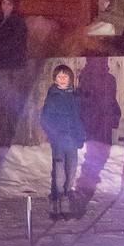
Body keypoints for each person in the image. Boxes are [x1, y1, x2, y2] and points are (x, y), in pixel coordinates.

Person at [41, 63, 86, 219]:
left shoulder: (75, 97)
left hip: (72, 140)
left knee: (71, 170)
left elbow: (79, 119)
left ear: (70, 79)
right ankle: (57, 200)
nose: (62, 79)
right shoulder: (53, 96)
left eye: (65, 76)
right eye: (59, 76)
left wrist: (81, 135)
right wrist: (53, 133)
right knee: (59, 172)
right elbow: (45, 118)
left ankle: (66, 196)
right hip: (59, 141)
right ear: (55, 79)